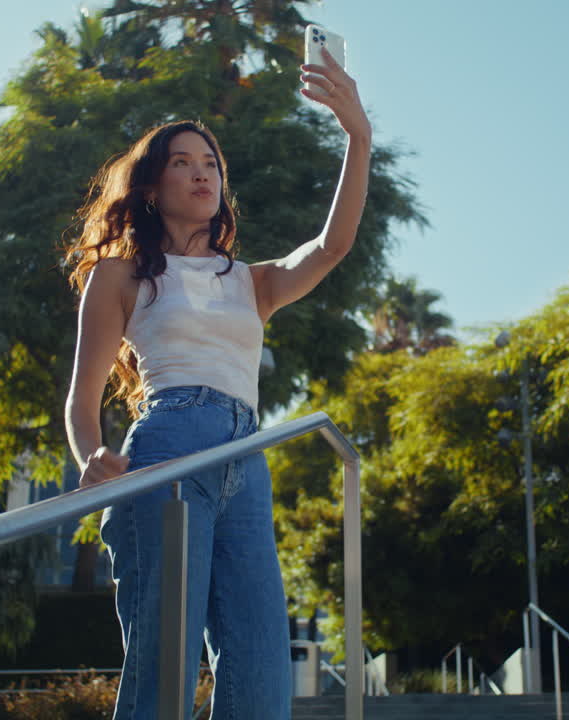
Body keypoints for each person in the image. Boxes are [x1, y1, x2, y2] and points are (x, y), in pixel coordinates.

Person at [63, 47, 370, 720]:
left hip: (244, 459)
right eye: (183, 162)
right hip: (169, 446)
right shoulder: (118, 275)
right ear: (151, 186)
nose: (202, 174)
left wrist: (358, 135)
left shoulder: (251, 281)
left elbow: (333, 246)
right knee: (162, 673)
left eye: (212, 165)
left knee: (261, 680)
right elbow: (83, 401)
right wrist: (91, 454)